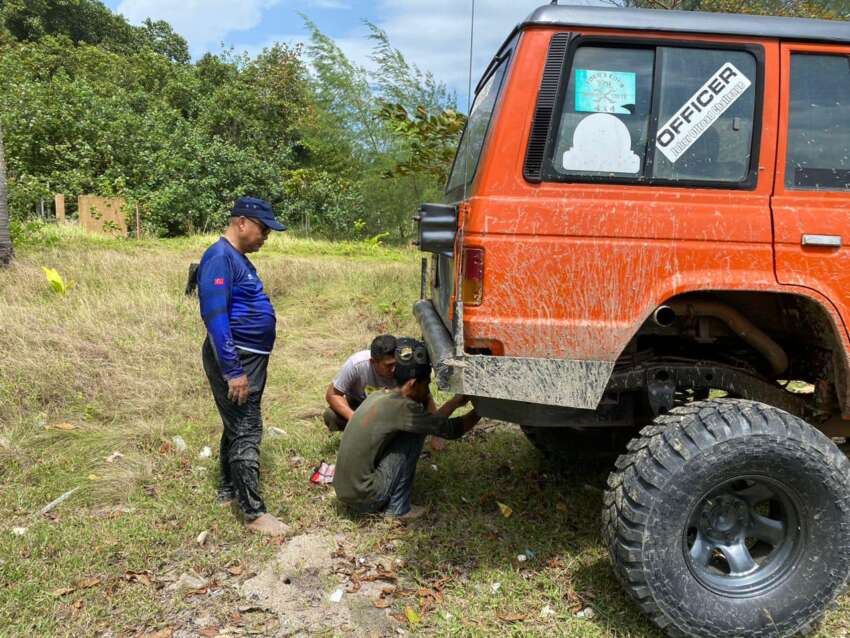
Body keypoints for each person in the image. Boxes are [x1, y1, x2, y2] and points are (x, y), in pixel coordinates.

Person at [197, 196, 288, 536]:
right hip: (237, 358)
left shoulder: (237, 258)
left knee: (234, 423)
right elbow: (215, 317)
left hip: (249, 356)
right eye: (264, 229)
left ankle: (227, 489)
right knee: (247, 428)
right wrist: (234, 370)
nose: (266, 237)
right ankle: (254, 513)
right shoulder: (219, 257)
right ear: (242, 223)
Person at [333, 338, 480, 519]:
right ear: (412, 384)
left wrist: (454, 403)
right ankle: (398, 509)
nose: (427, 390)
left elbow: (430, 422)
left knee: (417, 428)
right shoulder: (403, 409)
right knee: (414, 435)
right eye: (426, 384)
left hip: (346, 492)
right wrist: (481, 410)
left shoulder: (380, 395)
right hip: (365, 498)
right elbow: (451, 429)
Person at [323, 335, 399, 432]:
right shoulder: (356, 365)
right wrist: (355, 419)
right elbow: (332, 395)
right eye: (389, 365)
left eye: (396, 363)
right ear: (373, 362)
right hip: (361, 405)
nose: (394, 369)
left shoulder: (406, 364)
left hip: (394, 408)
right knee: (331, 415)